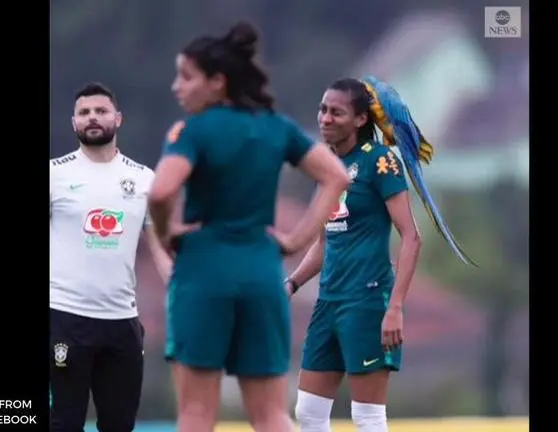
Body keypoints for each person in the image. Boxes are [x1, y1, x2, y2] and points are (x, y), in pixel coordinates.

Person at [147, 21, 351, 432]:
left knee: (197, 414)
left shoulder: (193, 130)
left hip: (203, 272)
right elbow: (336, 177)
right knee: (272, 415)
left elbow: (161, 191)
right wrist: (296, 239)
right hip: (261, 271)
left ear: (217, 82)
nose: (177, 87)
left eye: (186, 77)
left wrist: (168, 233)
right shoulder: (276, 126)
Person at [287, 77, 475, 432]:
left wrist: (396, 307)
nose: (325, 118)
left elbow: (411, 237)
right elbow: (326, 242)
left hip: (368, 301)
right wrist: (292, 283)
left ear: (359, 120)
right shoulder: (326, 166)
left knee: (367, 417)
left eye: (336, 112)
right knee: (308, 412)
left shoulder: (381, 161)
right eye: (323, 110)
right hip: (329, 301)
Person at [49, 82, 173, 432]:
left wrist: (179, 290)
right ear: (73, 123)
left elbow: (160, 247)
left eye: (101, 111)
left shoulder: (144, 178)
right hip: (65, 317)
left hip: (122, 322)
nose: (92, 118)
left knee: (119, 424)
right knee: (65, 422)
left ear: (118, 119)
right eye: (84, 113)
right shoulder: (55, 174)